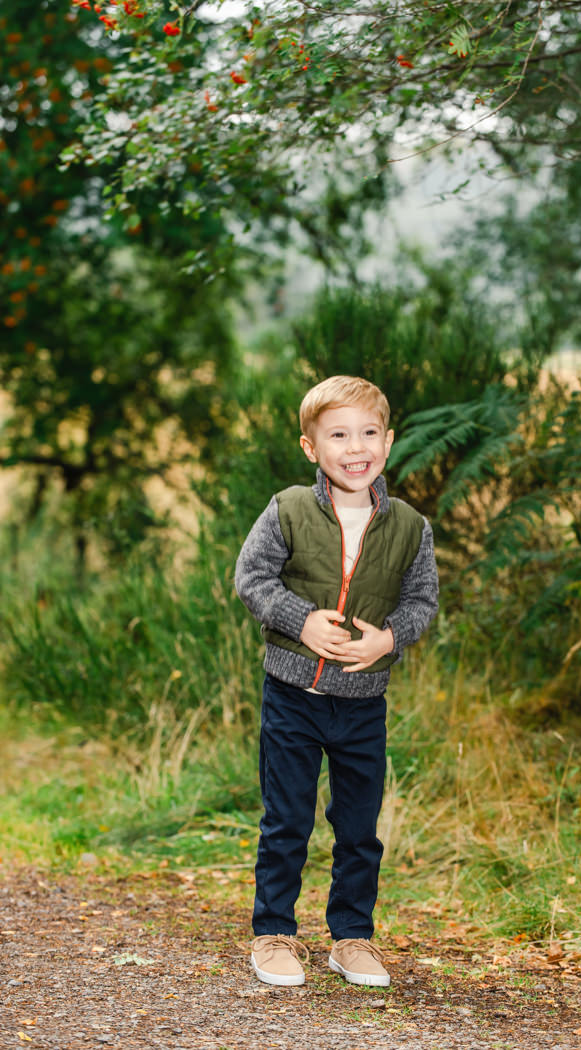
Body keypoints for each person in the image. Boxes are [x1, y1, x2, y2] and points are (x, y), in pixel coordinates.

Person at [234, 375, 439, 988]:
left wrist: (389, 638)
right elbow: (252, 579)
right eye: (339, 435)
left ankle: (352, 939)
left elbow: (422, 599)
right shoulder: (288, 509)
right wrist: (300, 619)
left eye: (369, 433)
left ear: (389, 440)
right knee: (287, 820)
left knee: (358, 828)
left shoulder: (409, 525)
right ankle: (273, 935)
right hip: (292, 698)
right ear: (310, 448)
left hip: (361, 704)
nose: (357, 448)